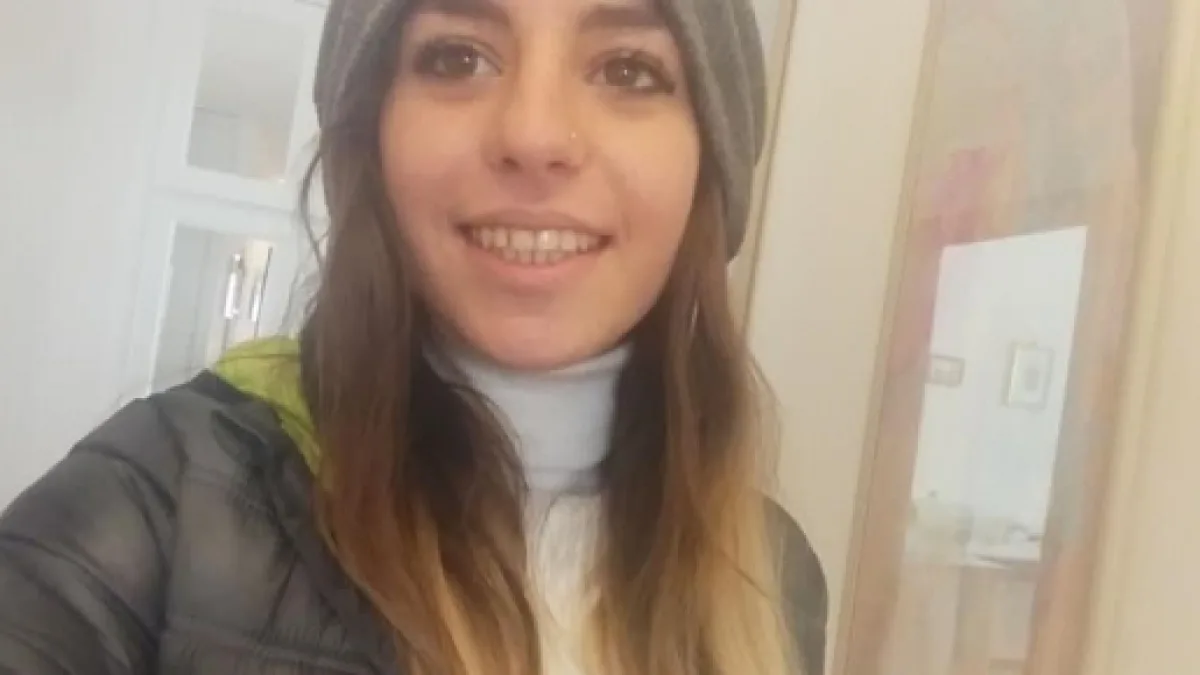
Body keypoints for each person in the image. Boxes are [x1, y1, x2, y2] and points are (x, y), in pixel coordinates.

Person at [0, 0, 827, 673]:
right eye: (458, 57)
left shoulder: (775, 578)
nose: (534, 136)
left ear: (708, 164)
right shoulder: (157, 505)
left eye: (627, 69)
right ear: (373, 136)